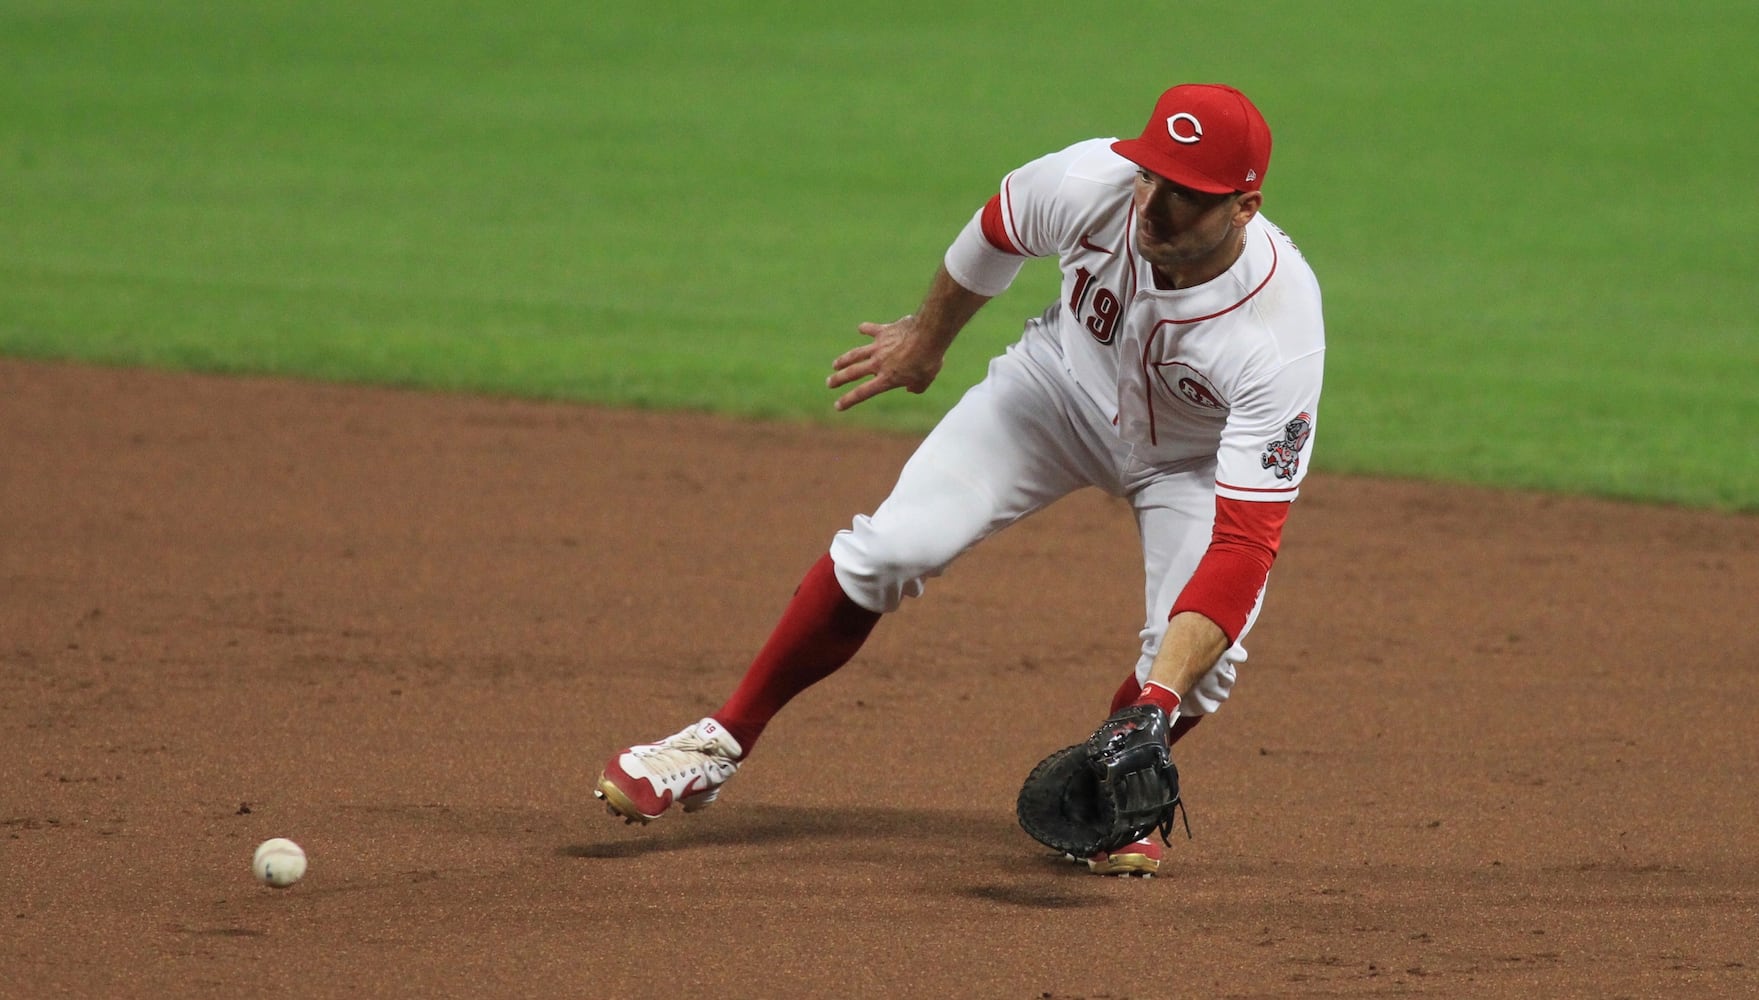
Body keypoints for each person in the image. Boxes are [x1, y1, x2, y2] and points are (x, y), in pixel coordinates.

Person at [595, 83, 1325, 877]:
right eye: (1151, 176)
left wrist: (1154, 706)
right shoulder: (1090, 183)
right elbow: (994, 231)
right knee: (891, 549)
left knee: (1197, 672)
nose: (1152, 207)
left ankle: (1104, 788)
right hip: (1053, 395)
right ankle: (718, 742)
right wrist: (925, 339)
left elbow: (1245, 543)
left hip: (1189, 461)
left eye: (1186, 196)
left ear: (1244, 206)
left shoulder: (1278, 332)